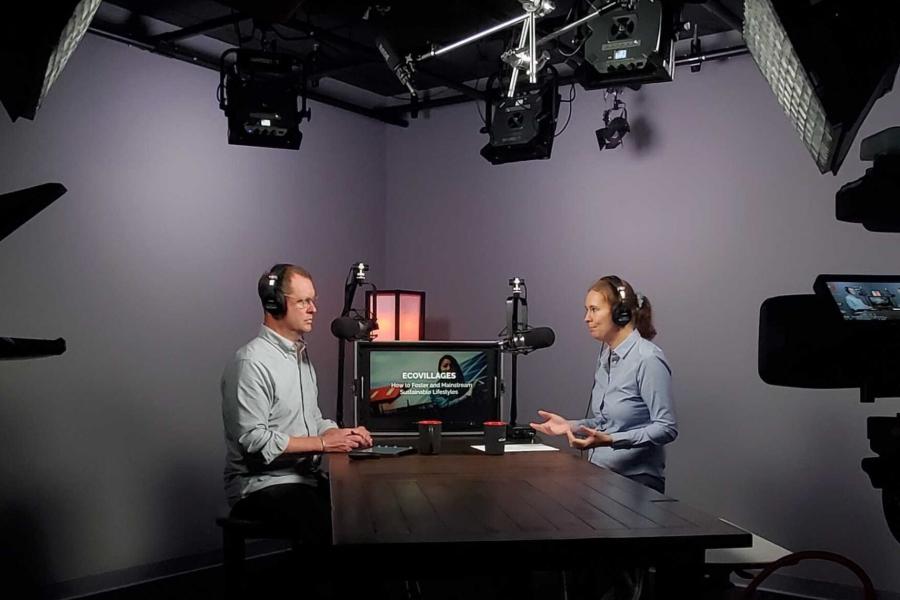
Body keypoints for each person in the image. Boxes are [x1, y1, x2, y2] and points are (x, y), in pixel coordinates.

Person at [221, 263, 373, 544]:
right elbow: (255, 442)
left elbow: (312, 420)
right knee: (321, 521)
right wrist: (324, 444)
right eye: (303, 301)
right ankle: (319, 588)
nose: (313, 308)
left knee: (365, 503)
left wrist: (339, 434)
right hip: (259, 486)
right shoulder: (251, 363)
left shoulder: (300, 357)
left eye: (313, 300)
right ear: (274, 304)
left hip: (303, 480)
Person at [530, 275, 677, 494]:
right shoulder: (606, 356)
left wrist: (611, 440)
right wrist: (569, 426)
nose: (586, 318)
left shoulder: (648, 359)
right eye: (586, 310)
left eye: (594, 309)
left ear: (620, 314)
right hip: (601, 477)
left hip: (637, 484)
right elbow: (606, 422)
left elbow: (666, 427)